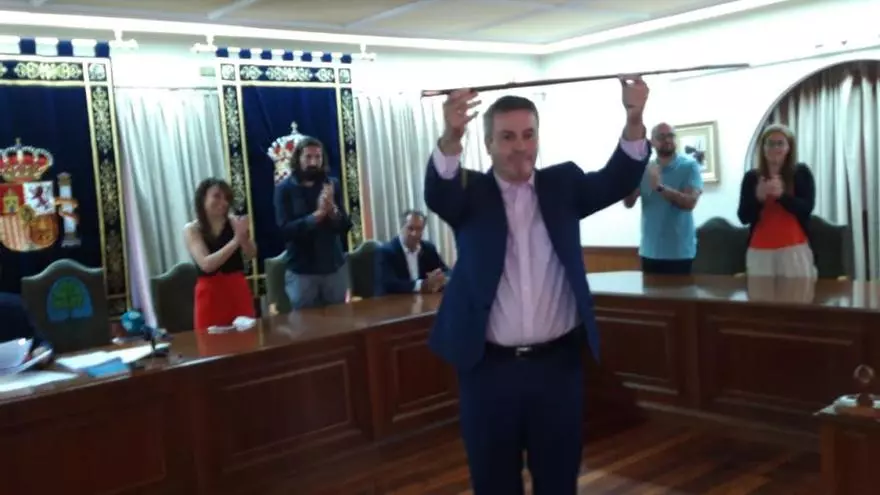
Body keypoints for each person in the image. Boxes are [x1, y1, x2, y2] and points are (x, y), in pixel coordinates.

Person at [424, 79, 650, 494]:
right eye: (507, 137)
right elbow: (439, 192)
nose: (520, 147)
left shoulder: (563, 185)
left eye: (528, 135)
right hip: (488, 371)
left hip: (557, 369)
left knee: (559, 481)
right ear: (488, 144)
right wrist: (451, 136)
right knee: (493, 482)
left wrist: (634, 117)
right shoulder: (470, 194)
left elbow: (618, 179)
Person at [273, 136, 352, 309]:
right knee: (305, 323)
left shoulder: (332, 184)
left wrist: (332, 211)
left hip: (333, 267)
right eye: (308, 157)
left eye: (318, 157)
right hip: (302, 272)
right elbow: (284, 231)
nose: (313, 162)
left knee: (340, 321)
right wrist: (316, 216)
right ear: (298, 159)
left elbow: (345, 226)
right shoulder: (284, 189)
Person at [737, 124, 816, 278]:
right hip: (759, 249)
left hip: (794, 247)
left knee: (797, 293)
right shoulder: (751, 177)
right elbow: (743, 217)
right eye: (770, 143)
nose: (775, 148)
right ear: (763, 148)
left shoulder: (800, 172)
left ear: (789, 147)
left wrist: (782, 196)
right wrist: (758, 198)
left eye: (780, 143)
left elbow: (807, 208)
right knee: (760, 294)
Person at [623, 122, 703, 274]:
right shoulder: (645, 168)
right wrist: (628, 176)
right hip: (649, 252)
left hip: (680, 253)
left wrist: (660, 187)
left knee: (681, 291)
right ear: (652, 142)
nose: (667, 140)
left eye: (671, 136)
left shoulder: (690, 166)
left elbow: (690, 203)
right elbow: (628, 203)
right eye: (661, 137)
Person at [184, 178, 256, 331]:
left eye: (226, 198)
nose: (223, 202)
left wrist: (243, 237)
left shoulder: (234, 222)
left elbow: (251, 254)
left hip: (237, 289)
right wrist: (236, 240)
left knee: (246, 339)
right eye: (217, 196)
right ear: (202, 198)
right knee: (209, 340)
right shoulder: (192, 229)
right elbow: (206, 264)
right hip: (209, 293)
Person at [376, 209, 450, 295]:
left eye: (419, 229)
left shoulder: (428, 249)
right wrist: (422, 285)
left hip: (423, 300)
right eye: (410, 228)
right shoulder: (386, 251)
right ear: (402, 228)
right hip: (395, 301)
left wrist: (441, 278)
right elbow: (389, 284)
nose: (414, 233)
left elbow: (446, 271)